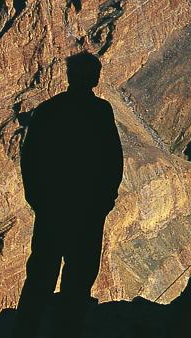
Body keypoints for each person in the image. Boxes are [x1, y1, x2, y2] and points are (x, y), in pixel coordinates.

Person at [15, 54, 123, 338]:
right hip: (87, 210)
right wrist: (105, 200)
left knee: (41, 273)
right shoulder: (100, 111)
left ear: (69, 76)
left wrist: (36, 198)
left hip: (52, 208)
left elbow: (30, 157)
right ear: (96, 79)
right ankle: (66, 329)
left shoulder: (48, 110)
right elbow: (113, 159)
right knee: (79, 275)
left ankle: (26, 329)